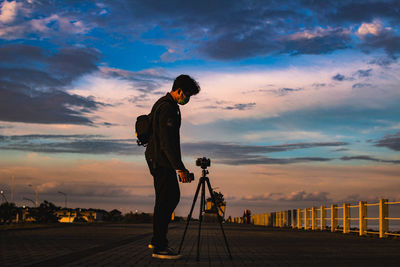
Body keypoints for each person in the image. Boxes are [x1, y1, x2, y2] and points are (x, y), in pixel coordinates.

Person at [145, 74, 200, 259]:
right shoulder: (168, 108)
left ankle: (157, 240)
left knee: (165, 200)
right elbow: (167, 143)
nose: (188, 99)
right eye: (187, 95)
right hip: (161, 161)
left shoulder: (163, 103)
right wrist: (180, 168)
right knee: (167, 200)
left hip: (158, 159)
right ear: (178, 90)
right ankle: (160, 246)